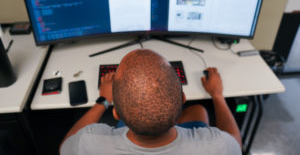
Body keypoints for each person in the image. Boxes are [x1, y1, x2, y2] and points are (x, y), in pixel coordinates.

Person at [60, 49, 242, 155]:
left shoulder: (88, 142)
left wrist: (103, 101)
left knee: (198, 112)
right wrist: (217, 95)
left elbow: (65, 146)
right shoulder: (218, 145)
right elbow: (236, 146)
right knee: (199, 111)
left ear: (116, 113)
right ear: (182, 99)